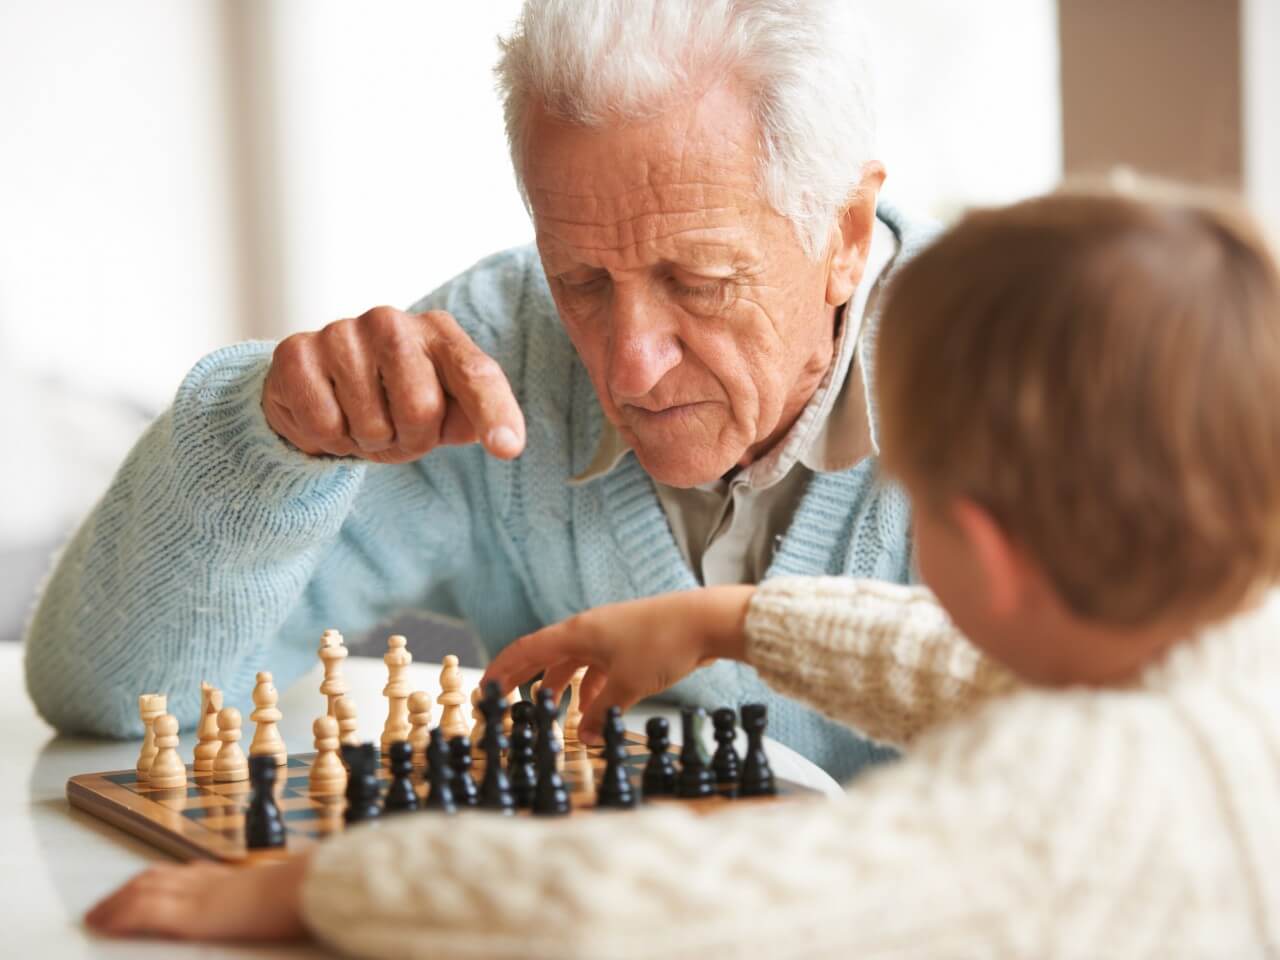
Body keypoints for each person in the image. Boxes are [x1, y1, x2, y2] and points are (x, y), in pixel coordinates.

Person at [85, 187, 1280, 957]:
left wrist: (325, 892)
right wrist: (736, 620)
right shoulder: (1216, 670)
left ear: (986, 546)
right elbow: (957, 664)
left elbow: (635, 906)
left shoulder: (1035, 813)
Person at [24, 0, 927, 781]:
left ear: (844, 235)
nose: (627, 369)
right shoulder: (499, 348)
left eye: (696, 281)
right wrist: (260, 445)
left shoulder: (1023, 381)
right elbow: (109, 696)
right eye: (580, 281)